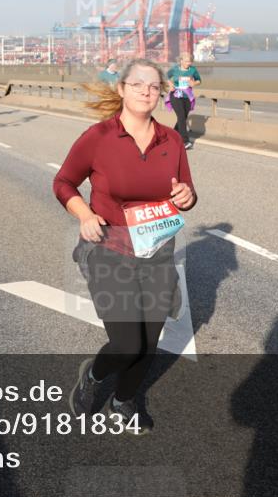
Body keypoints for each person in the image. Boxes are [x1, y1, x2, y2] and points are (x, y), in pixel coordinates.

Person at [54, 59, 197, 434]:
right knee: (126, 343)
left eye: (153, 87)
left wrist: (186, 195)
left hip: (157, 250)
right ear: (121, 89)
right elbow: (64, 182)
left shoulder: (172, 140)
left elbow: (187, 191)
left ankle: (125, 400)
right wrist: (84, 214)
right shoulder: (99, 137)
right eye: (138, 85)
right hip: (110, 247)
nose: (146, 92)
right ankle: (94, 377)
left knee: (148, 344)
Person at [164, 52, 202, 148]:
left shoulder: (193, 70)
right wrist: (170, 84)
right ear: (181, 61)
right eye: (186, 61)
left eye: (190, 61)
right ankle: (185, 141)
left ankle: (171, 137)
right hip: (176, 95)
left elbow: (199, 80)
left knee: (183, 118)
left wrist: (194, 83)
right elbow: (165, 76)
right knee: (181, 117)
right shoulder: (175, 69)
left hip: (187, 96)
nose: (189, 63)